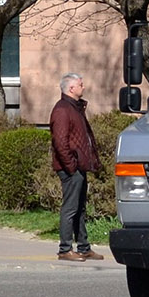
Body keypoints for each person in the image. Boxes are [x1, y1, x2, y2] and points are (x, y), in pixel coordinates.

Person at [50, 72, 103, 262]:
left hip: (78, 167)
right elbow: (60, 142)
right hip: (70, 169)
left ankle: (84, 247)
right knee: (70, 208)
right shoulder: (63, 109)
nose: (84, 87)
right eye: (81, 84)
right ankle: (65, 248)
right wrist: (71, 167)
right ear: (71, 88)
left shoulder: (75, 108)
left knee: (80, 208)